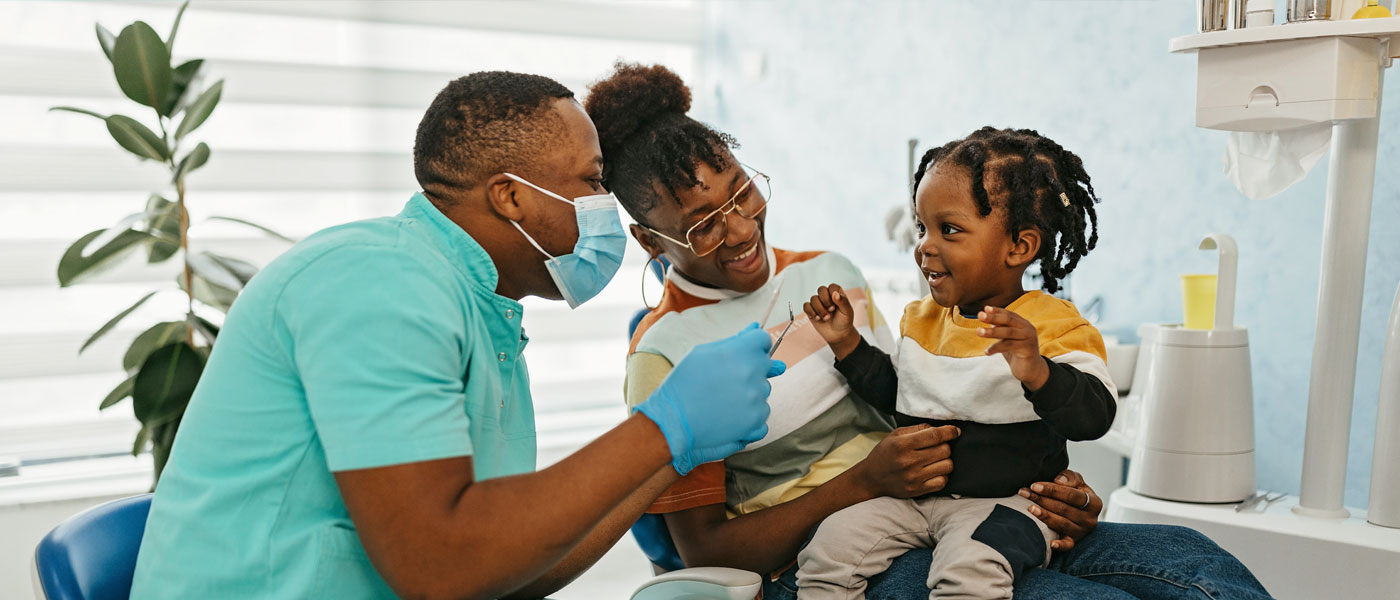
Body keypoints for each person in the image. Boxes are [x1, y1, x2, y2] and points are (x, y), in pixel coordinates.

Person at [587, 62, 1273, 600]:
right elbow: (707, 552)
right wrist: (862, 483)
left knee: (1198, 570)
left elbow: (917, 395)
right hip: (825, 557)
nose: (739, 229)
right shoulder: (663, 354)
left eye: (740, 192)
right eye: (702, 222)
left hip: (949, 500)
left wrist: (1049, 482)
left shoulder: (832, 273)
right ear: (651, 240)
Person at [129, 71, 783, 599]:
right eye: (589, 182)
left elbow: (504, 566)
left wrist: (674, 450)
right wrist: (662, 427)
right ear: (510, 197)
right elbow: (441, 564)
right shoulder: (377, 282)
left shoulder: (478, 312)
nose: (604, 209)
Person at [795, 127, 1118, 599]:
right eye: (922, 226)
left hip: (1010, 504)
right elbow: (897, 393)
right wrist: (847, 344)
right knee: (828, 550)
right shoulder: (920, 318)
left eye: (949, 230)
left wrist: (1037, 370)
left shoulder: (1052, 324)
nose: (925, 244)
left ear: (1019, 247)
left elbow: (1095, 416)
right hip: (914, 503)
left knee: (969, 573)